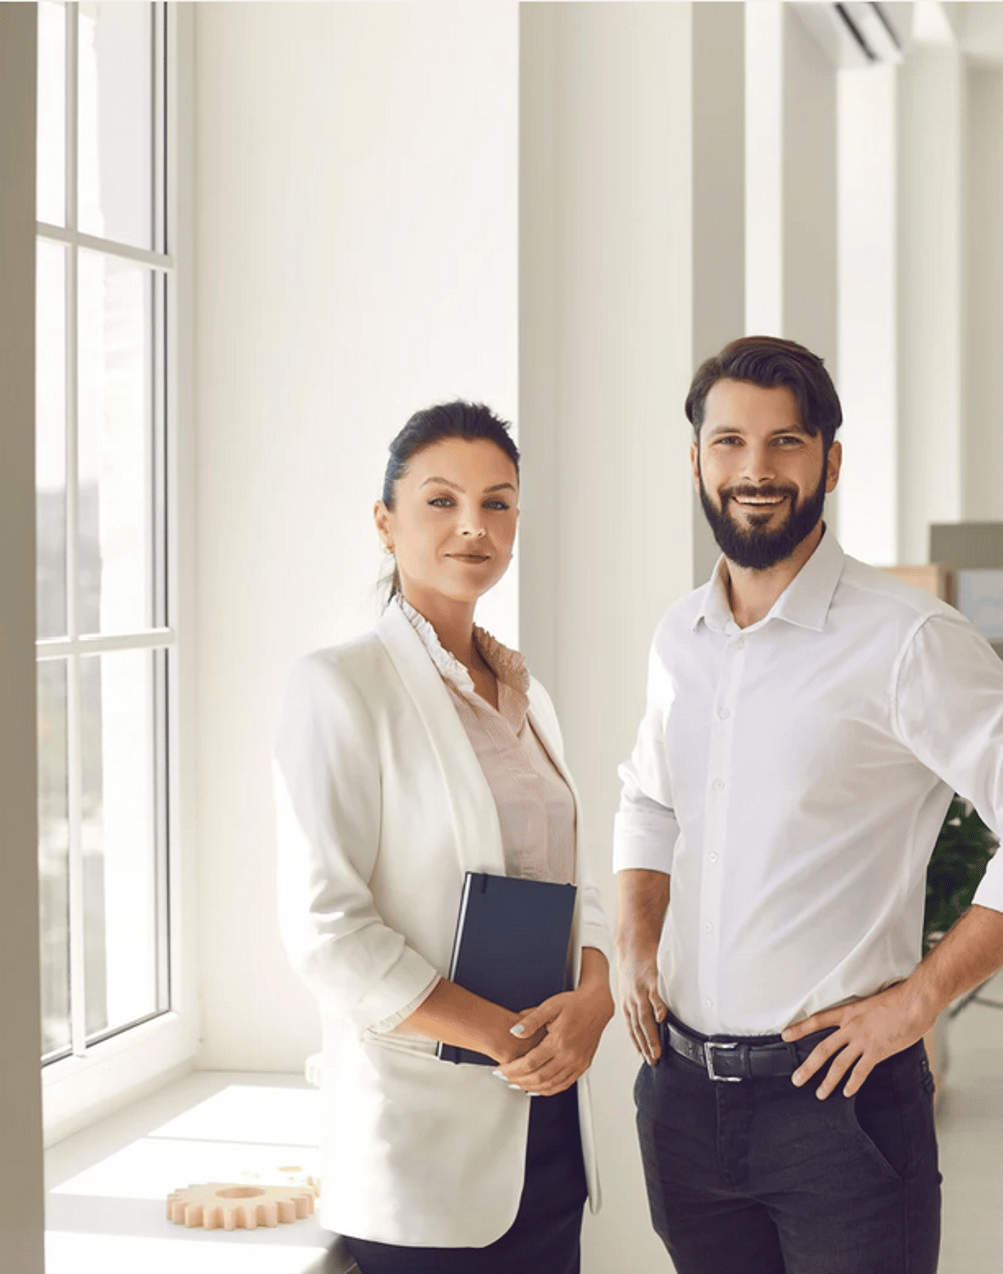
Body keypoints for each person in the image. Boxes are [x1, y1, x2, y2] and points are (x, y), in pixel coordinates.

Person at [613, 335, 1003, 1273]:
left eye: (785, 443)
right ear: (696, 461)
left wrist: (922, 998)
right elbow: (648, 799)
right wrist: (638, 943)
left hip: (836, 1108)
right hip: (680, 1102)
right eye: (729, 444)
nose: (755, 471)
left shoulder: (907, 637)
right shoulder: (681, 636)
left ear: (831, 461)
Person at [277, 402, 613, 1272]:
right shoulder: (340, 687)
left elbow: (579, 885)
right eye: (441, 500)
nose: (475, 526)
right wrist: (500, 1036)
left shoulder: (526, 699)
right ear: (385, 522)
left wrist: (596, 996)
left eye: (499, 503)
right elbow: (329, 934)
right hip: (422, 1145)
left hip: (548, 1130)